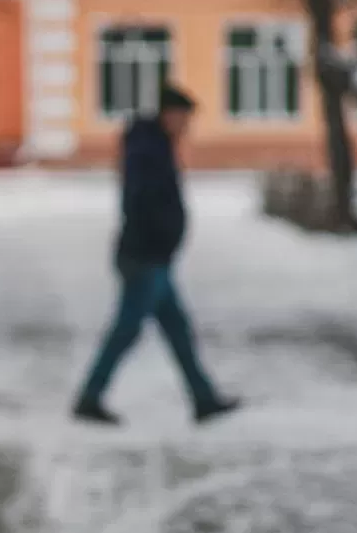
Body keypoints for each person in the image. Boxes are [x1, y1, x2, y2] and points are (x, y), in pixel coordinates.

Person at [73, 84, 239, 426]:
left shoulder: (155, 144)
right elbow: (141, 199)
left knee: (177, 330)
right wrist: (159, 232)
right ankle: (90, 397)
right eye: (184, 118)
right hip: (144, 257)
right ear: (169, 114)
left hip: (154, 257)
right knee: (126, 331)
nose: (187, 126)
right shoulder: (146, 148)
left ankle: (204, 399)